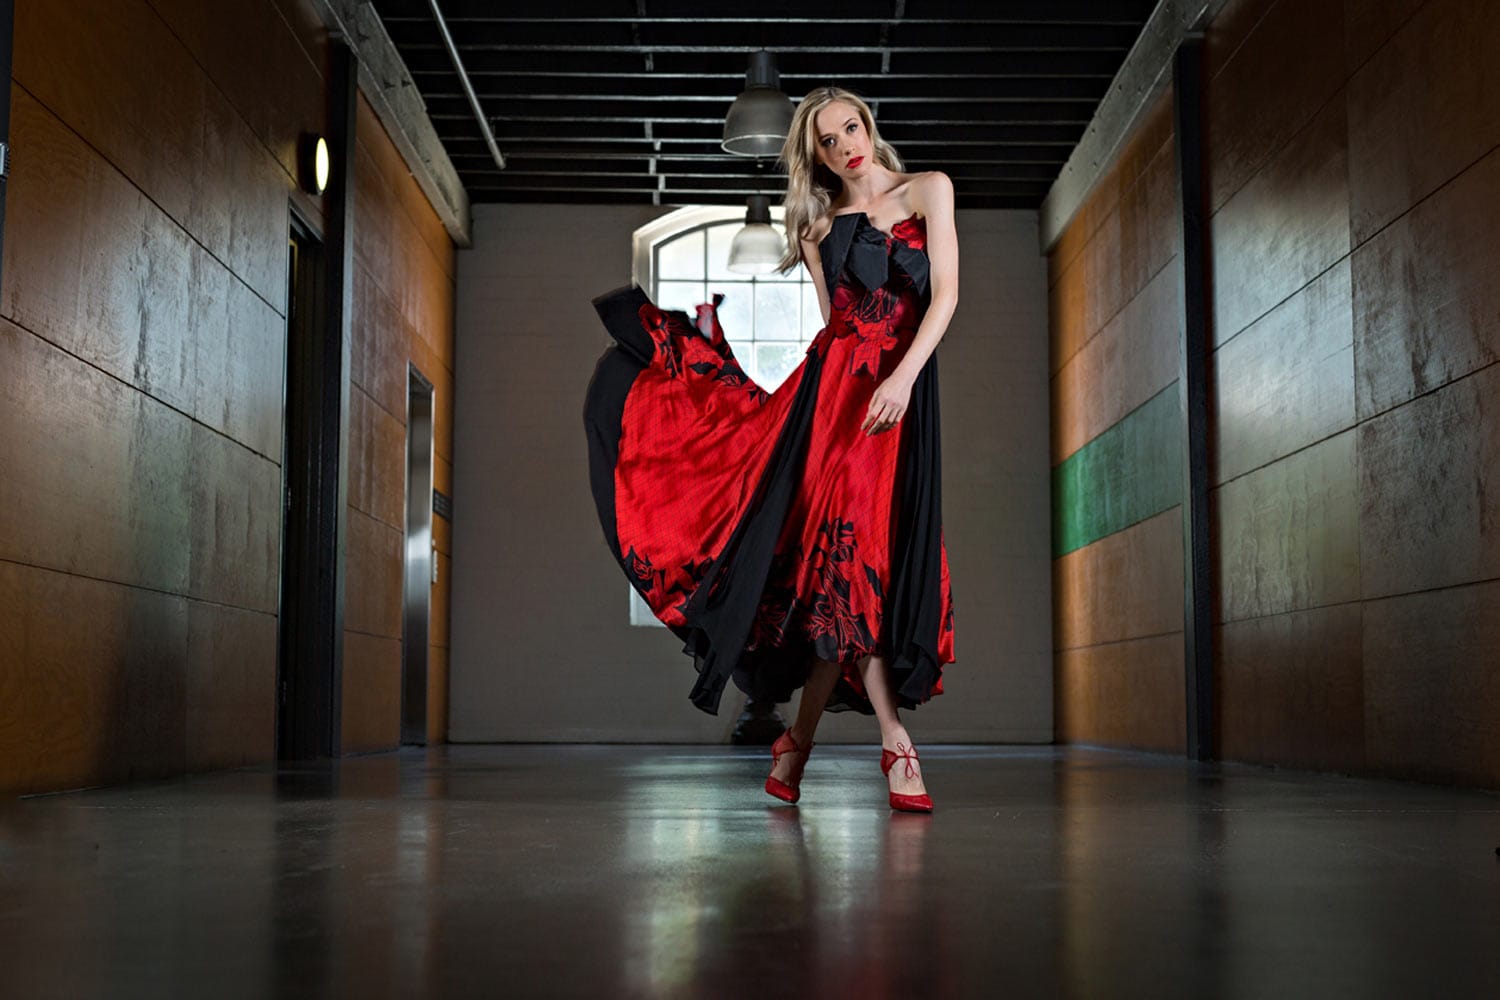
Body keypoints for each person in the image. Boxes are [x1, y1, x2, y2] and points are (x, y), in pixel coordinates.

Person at [584, 86, 957, 812]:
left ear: (868, 125)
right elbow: (833, 327)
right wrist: (846, 401)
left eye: (851, 127)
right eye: (827, 139)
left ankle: (795, 749)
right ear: (813, 154)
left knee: (841, 589)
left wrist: (905, 380)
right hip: (837, 407)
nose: (845, 144)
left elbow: (942, 300)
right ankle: (895, 745)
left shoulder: (928, 190)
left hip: (901, 398)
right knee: (853, 573)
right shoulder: (820, 227)